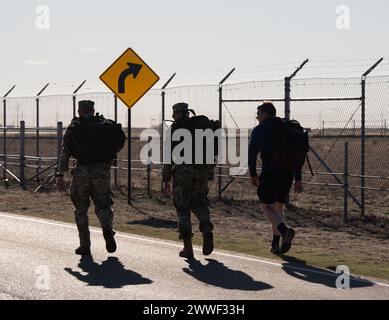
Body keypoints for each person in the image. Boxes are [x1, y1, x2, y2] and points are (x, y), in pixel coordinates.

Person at [56, 100, 125, 256]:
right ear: (93, 110)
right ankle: (107, 229)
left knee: (80, 209)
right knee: (103, 205)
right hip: (102, 170)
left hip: (81, 171)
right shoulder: (105, 126)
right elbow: (120, 141)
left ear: (79, 111)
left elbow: (65, 152)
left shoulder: (74, 127)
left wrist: (60, 174)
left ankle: (85, 245)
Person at [248, 102, 303, 255]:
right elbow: (296, 154)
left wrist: (253, 173)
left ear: (266, 114)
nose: (257, 116)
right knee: (278, 208)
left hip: (270, 172)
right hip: (288, 174)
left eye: (259, 113)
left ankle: (285, 231)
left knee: (266, 207)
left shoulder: (260, 129)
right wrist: (298, 178)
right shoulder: (287, 128)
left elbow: (252, 153)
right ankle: (275, 244)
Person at [162, 102, 215, 259]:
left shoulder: (175, 130)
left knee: (182, 207)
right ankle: (206, 228)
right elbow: (211, 150)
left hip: (183, 172)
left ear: (180, 113)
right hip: (202, 171)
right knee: (200, 202)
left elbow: (168, 157)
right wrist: (209, 172)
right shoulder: (202, 126)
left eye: (174, 113)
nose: (172, 116)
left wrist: (166, 179)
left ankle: (188, 248)